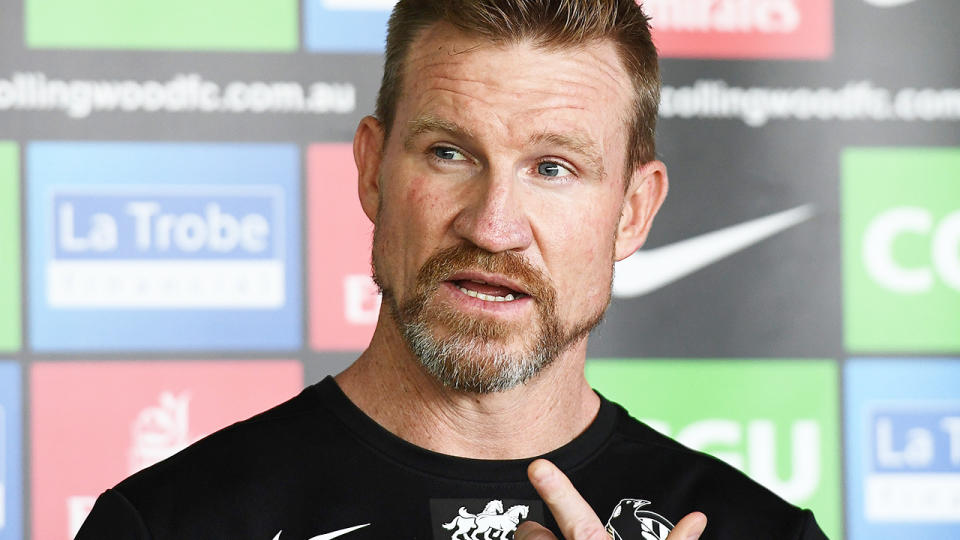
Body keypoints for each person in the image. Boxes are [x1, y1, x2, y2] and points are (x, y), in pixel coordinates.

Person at [77, 1, 829, 539]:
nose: (492, 225)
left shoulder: (754, 531)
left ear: (633, 211)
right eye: (450, 153)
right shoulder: (166, 524)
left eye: (553, 167)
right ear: (372, 170)